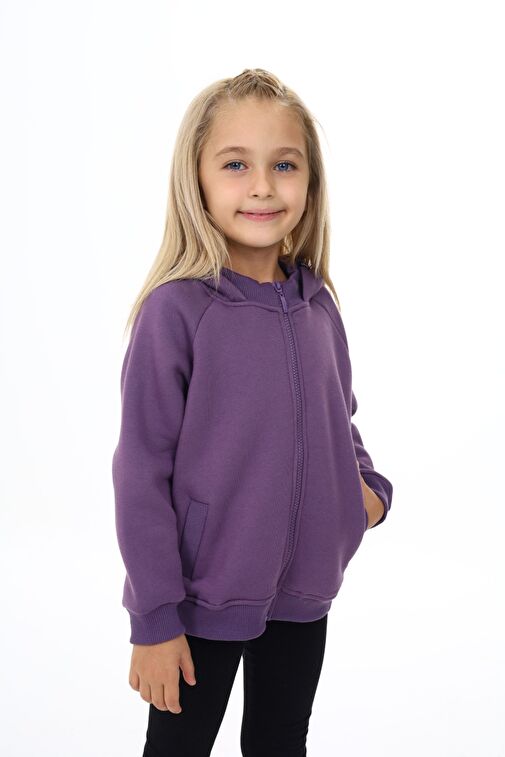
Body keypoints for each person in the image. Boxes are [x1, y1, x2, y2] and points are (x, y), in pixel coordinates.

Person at [112, 67, 394, 757]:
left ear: (310, 183)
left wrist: (366, 493)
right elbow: (140, 471)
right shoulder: (177, 312)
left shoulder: (318, 306)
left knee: (280, 742)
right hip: (200, 600)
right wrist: (154, 618)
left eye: (284, 165)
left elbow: (340, 417)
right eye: (236, 164)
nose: (263, 185)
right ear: (197, 180)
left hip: (305, 595)